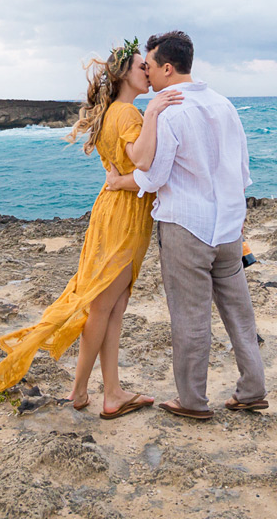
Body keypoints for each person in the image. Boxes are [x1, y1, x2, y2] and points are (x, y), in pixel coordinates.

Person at [0, 38, 181, 419]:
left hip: (113, 210)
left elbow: (122, 168)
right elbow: (141, 162)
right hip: (124, 215)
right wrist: (154, 114)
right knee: (102, 306)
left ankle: (112, 391)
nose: (148, 72)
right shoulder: (129, 115)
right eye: (142, 66)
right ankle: (80, 391)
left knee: (114, 307)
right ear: (124, 73)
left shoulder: (112, 114)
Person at [105, 30, 266, 420]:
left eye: (150, 66)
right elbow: (243, 171)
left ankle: (192, 400)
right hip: (228, 227)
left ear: (167, 68)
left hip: (185, 226)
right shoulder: (224, 105)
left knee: (189, 317)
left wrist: (118, 182)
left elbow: (153, 176)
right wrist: (237, 216)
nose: (148, 74)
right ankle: (253, 389)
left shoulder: (171, 112)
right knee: (240, 315)